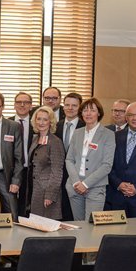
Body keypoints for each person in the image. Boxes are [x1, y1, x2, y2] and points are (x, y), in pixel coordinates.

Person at [64, 98, 116, 221]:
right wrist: (77, 182)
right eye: (85, 110)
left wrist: (86, 184)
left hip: (95, 187)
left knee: (92, 226)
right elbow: (69, 160)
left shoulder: (108, 134)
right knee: (78, 224)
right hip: (74, 186)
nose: (88, 113)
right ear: (81, 113)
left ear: (99, 113)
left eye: (92, 110)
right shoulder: (77, 133)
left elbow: (107, 165)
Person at [27, 106, 65, 219]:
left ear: (51, 122)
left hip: (46, 193)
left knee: (47, 228)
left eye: (45, 119)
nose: (41, 122)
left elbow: (57, 171)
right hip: (34, 189)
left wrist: (50, 195)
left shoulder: (55, 142)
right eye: (39, 119)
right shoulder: (35, 139)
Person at [55, 92, 84, 221]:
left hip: (78, 177)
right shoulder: (55, 126)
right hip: (58, 175)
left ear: (80, 107)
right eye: (67, 105)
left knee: (76, 213)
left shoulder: (86, 126)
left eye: (74, 105)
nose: (70, 108)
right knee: (60, 210)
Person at [11, 92, 34, 217]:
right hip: (11, 170)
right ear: (14, 105)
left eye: (26, 102)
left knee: (26, 204)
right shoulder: (6, 123)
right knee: (9, 203)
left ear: (31, 106)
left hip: (30, 170)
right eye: (19, 102)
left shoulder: (37, 124)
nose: (22, 105)